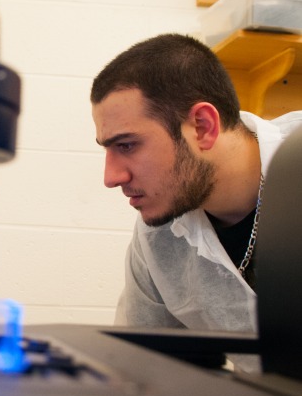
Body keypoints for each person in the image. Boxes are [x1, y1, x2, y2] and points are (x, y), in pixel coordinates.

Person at [90, 33, 302, 344]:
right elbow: (141, 363)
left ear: (203, 126)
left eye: (127, 145)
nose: (111, 177)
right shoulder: (159, 236)